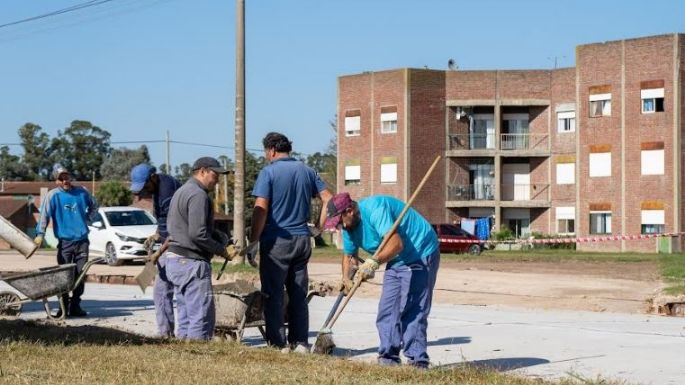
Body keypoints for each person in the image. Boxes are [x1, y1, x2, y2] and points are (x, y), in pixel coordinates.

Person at [324, 193, 440, 368]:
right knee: (387, 309)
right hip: (396, 259)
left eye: (339, 222)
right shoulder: (348, 227)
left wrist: (373, 262)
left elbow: (396, 243)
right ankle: (388, 359)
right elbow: (349, 255)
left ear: (349, 211)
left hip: (420, 252)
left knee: (412, 308)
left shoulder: (375, 210)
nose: (339, 227)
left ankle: (418, 362)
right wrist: (346, 279)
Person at [250, 132, 332, 352]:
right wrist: (318, 227)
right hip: (302, 240)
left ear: (271, 150)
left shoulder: (268, 172)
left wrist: (253, 240)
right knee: (298, 293)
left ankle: (277, 344)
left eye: (266, 153)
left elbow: (261, 208)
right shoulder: (307, 171)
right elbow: (329, 199)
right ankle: (300, 342)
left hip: (277, 240)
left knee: (273, 293)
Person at [165, 157, 231, 340]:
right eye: (215, 173)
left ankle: (186, 358)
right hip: (191, 262)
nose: (217, 178)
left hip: (176, 261)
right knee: (201, 317)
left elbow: (189, 227)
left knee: (186, 315)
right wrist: (222, 250)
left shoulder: (182, 191)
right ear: (202, 171)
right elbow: (198, 234)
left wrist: (219, 235)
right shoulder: (198, 195)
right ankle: (200, 358)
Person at [34, 164, 98, 318]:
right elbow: (44, 216)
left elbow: (95, 206)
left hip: (82, 241)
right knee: (64, 277)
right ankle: (63, 308)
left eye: (66, 177)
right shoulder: (53, 196)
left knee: (80, 275)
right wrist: (40, 234)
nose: (65, 181)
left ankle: (75, 306)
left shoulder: (82, 192)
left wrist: (88, 219)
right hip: (65, 243)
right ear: (56, 181)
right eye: (61, 178)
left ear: (70, 177)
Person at [129, 163, 181, 338]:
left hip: (178, 246)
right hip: (168, 243)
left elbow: (176, 229)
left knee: (170, 292)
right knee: (162, 291)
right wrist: (156, 234)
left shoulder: (168, 193)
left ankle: (180, 335)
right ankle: (167, 333)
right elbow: (164, 222)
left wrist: (160, 252)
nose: (143, 191)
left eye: (145, 187)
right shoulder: (158, 189)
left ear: (153, 177)